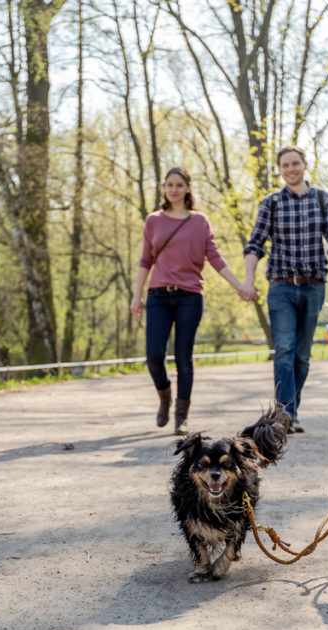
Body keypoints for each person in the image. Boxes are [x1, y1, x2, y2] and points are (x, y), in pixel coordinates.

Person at [238, 145, 328, 433]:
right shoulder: (271, 203)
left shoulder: (323, 200)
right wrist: (248, 280)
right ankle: (285, 415)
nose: (290, 169)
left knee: (301, 354)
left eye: (295, 163)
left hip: (314, 286)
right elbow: (254, 244)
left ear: (304, 165)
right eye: (285, 165)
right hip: (281, 287)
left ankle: (290, 410)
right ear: (279, 169)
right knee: (284, 350)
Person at [131, 167, 244, 434]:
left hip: (190, 296)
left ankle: (181, 417)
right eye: (169, 184)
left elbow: (214, 258)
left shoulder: (200, 222)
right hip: (158, 294)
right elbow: (146, 260)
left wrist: (239, 285)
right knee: (154, 355)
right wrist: (137, 295)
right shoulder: (153, 221)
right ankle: (165, 396)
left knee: (184, 357)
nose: (174, 189)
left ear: (188, 188)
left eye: (179, 184)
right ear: (164, 188)